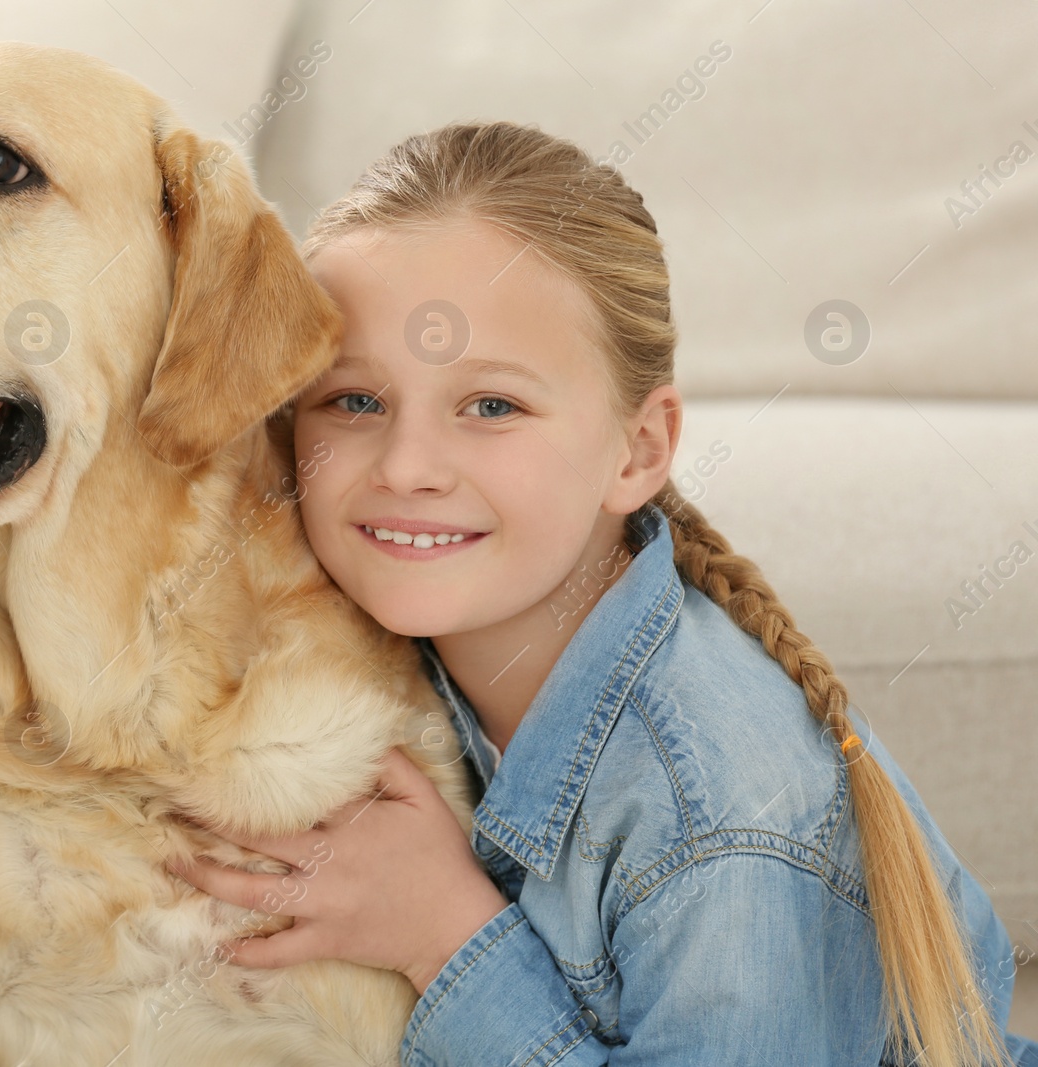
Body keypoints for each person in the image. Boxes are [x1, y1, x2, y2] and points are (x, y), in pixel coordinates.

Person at [164, 120, 1038, 1066]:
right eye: (356, 401)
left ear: (639, 450)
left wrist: (444, 935)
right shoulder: (390, 639)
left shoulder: (720, 817)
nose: (407, 466)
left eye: (491, 405)